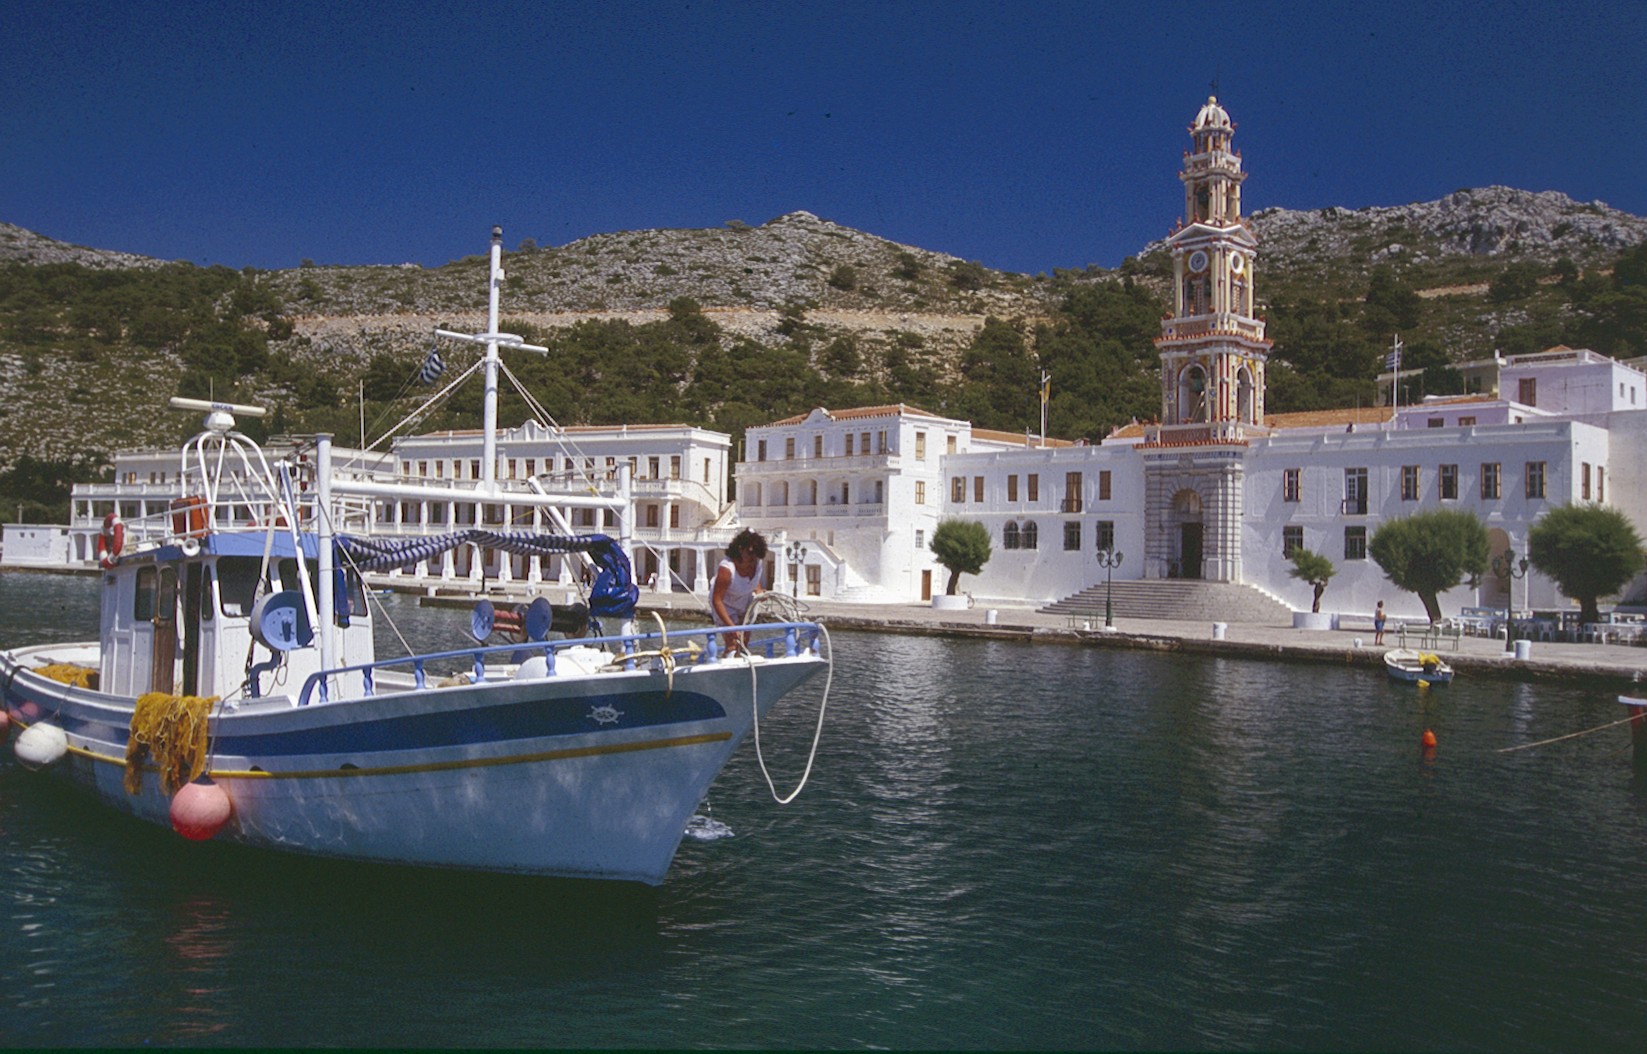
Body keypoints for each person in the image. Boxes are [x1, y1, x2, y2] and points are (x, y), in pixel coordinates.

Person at [711, 529, 768, 654]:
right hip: (725, 605)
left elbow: (754, 580)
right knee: (732, 642)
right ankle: (727, 670)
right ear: (740, 549)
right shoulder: (726, 569)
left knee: (744, 643)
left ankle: (742, 667)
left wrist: (759, 591)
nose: (753, 560)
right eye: (750, 554)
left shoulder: (757, 563)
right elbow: (717, 600)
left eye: (756, 556)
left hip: (745, 601)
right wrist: (731, 627)